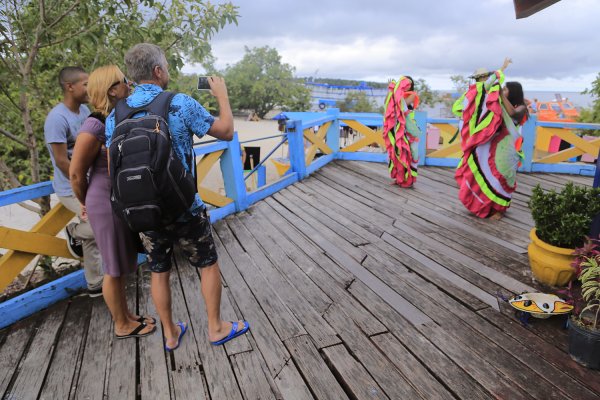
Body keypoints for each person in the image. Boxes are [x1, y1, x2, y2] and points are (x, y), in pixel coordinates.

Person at [105, 43, 249, 351]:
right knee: (207, 264)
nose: (167, 72)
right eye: (166, 67)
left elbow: (111, 166)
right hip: (184, 207)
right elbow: (225, 131)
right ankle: (215, 328)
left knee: (159, 270)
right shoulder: (180, 103)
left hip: (143, 210)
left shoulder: (114, 116)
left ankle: (170, 333)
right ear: (158, 71)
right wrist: (221, 96)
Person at [69, 65, 156, 339]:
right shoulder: (94, 124)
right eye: (123, 82)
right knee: (112, 267)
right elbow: (75, 173)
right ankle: (121, 325)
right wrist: (86, 202)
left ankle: (128, 316)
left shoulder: (117, 119)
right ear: (112, 90)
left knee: (119, 264)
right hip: (103, 202)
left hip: (117, 200)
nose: (129, 85)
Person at [44, 66, 103, 296]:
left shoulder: (85, 110)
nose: (89, 88)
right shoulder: (56, 119)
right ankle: (74, 232)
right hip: (70, 187)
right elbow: (61, 160)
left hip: (89, 181)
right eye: (85, 84)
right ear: (70, 87)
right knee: (97, 226)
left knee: (96, 233)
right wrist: (82, 183)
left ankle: (95, 282)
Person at [453, 58, 527, 219]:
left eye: (506, 89)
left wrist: (498, 91)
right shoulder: (499, 102)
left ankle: (499, 209)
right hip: (494, 146)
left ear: (513, 92)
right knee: (486, 174)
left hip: (508, 149)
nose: (503, 90)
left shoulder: (521, 108)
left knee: (502, 177)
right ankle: (483, 205)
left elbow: (513, 114)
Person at [382, 75, 421, 187]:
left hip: (410, 130)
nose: (405, 85)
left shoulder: (412, 95)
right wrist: (390, 91)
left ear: (411, 86)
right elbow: (387, 104)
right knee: (398, 153)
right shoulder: (396, 95)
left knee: (412, 154)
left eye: (407, 84)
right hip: (399, 129)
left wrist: (396, 91)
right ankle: (399, 178)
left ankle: (409, 180)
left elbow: (400, 106)